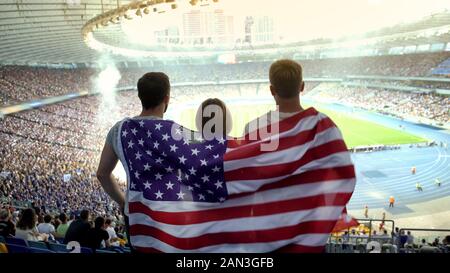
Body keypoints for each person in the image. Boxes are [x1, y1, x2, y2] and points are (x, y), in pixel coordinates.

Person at [97, 72, 172, 248]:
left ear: (140, 97)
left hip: (135, 214)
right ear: (167, 98)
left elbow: (102, 174)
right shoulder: (175, 132)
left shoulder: (119, 129)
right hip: (169, 215)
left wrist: (124, 201)